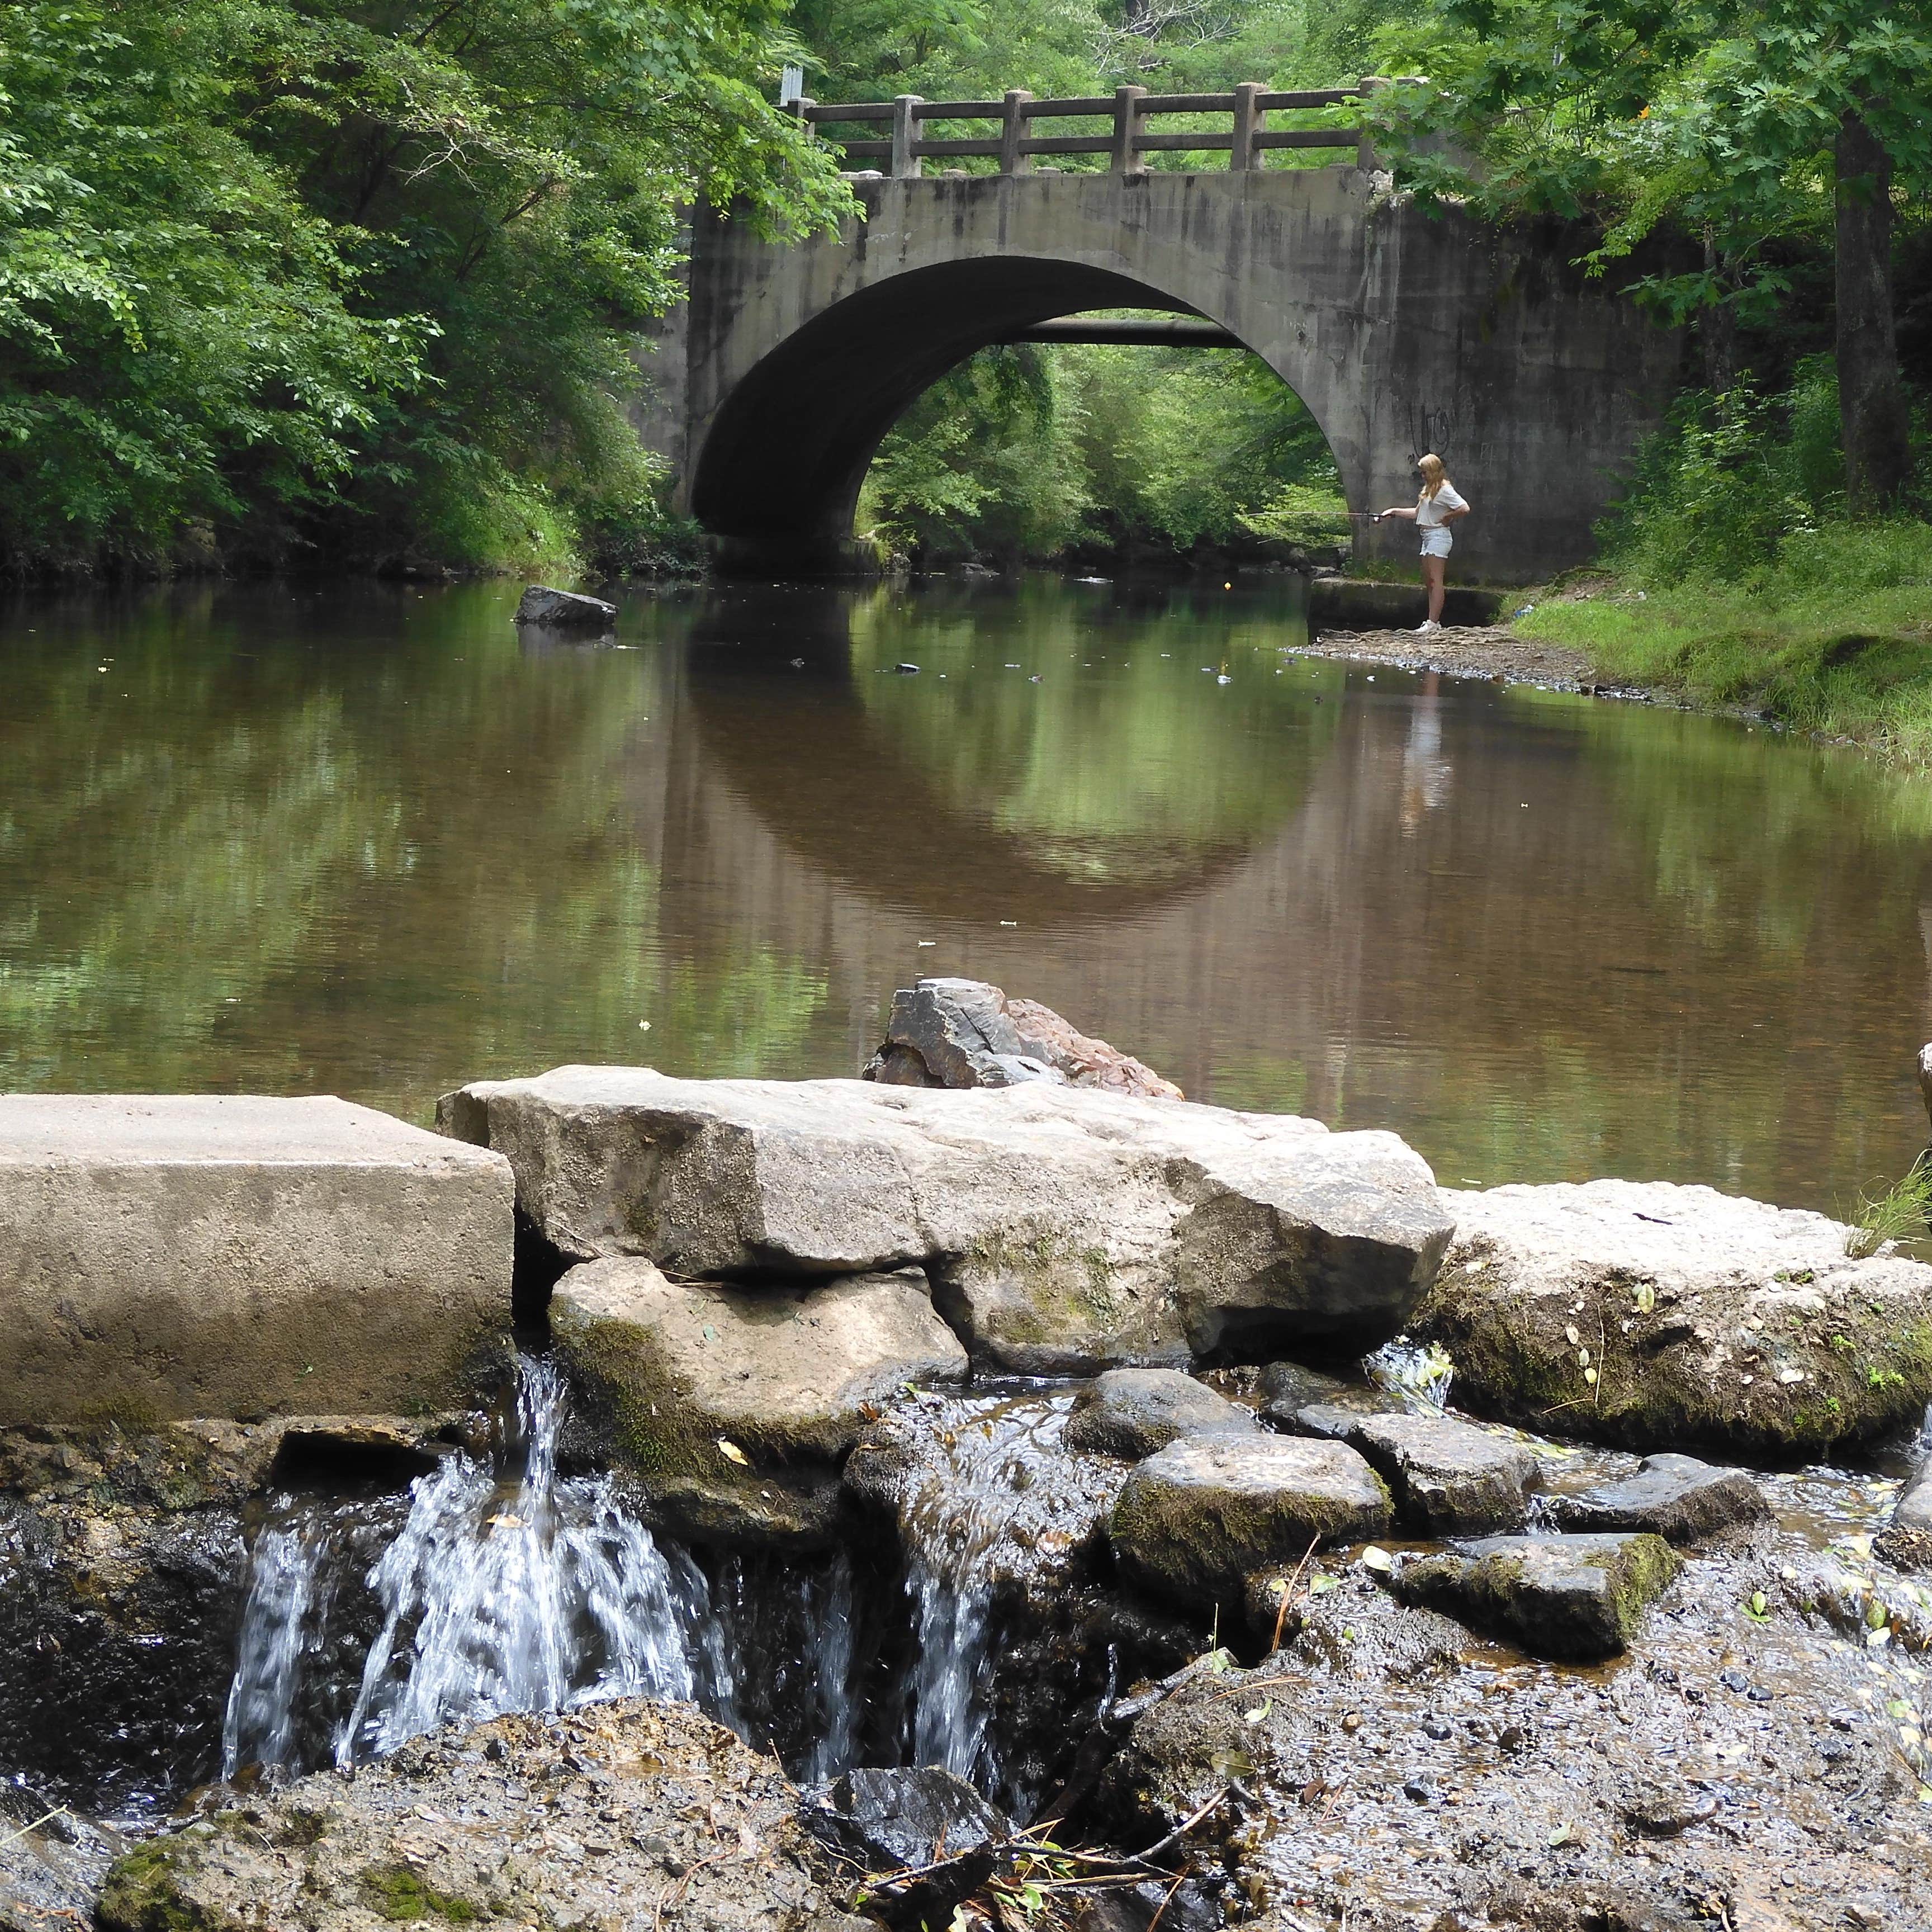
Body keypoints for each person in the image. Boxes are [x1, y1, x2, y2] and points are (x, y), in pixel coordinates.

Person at [1372, 454, 1470, 634]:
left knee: (1436, 580)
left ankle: (1433, 623)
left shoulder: (1445, 489)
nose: (1422, 475)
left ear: (1433, 471)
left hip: (1439, 537)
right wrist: (1392, 512)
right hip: (1427, 537)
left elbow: (1464, 508)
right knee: (1429, 582)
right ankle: (1431, 622)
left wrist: (1448, 517)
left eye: (1424, 472)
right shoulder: (1429, 489)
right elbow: (1416, 513)